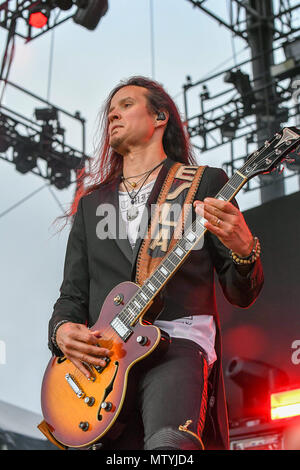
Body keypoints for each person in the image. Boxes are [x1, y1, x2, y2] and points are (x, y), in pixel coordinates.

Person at [48, 76, 264, 451]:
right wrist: (61, 332)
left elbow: (240, 293)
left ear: (160, 116)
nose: (113, 113)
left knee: (170, 445)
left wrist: (244, 248)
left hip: (178, 342)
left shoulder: (202, 184)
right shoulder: (91, 204)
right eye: (111, 109)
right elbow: (72, 295)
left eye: (127, 104)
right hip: (105, 363)